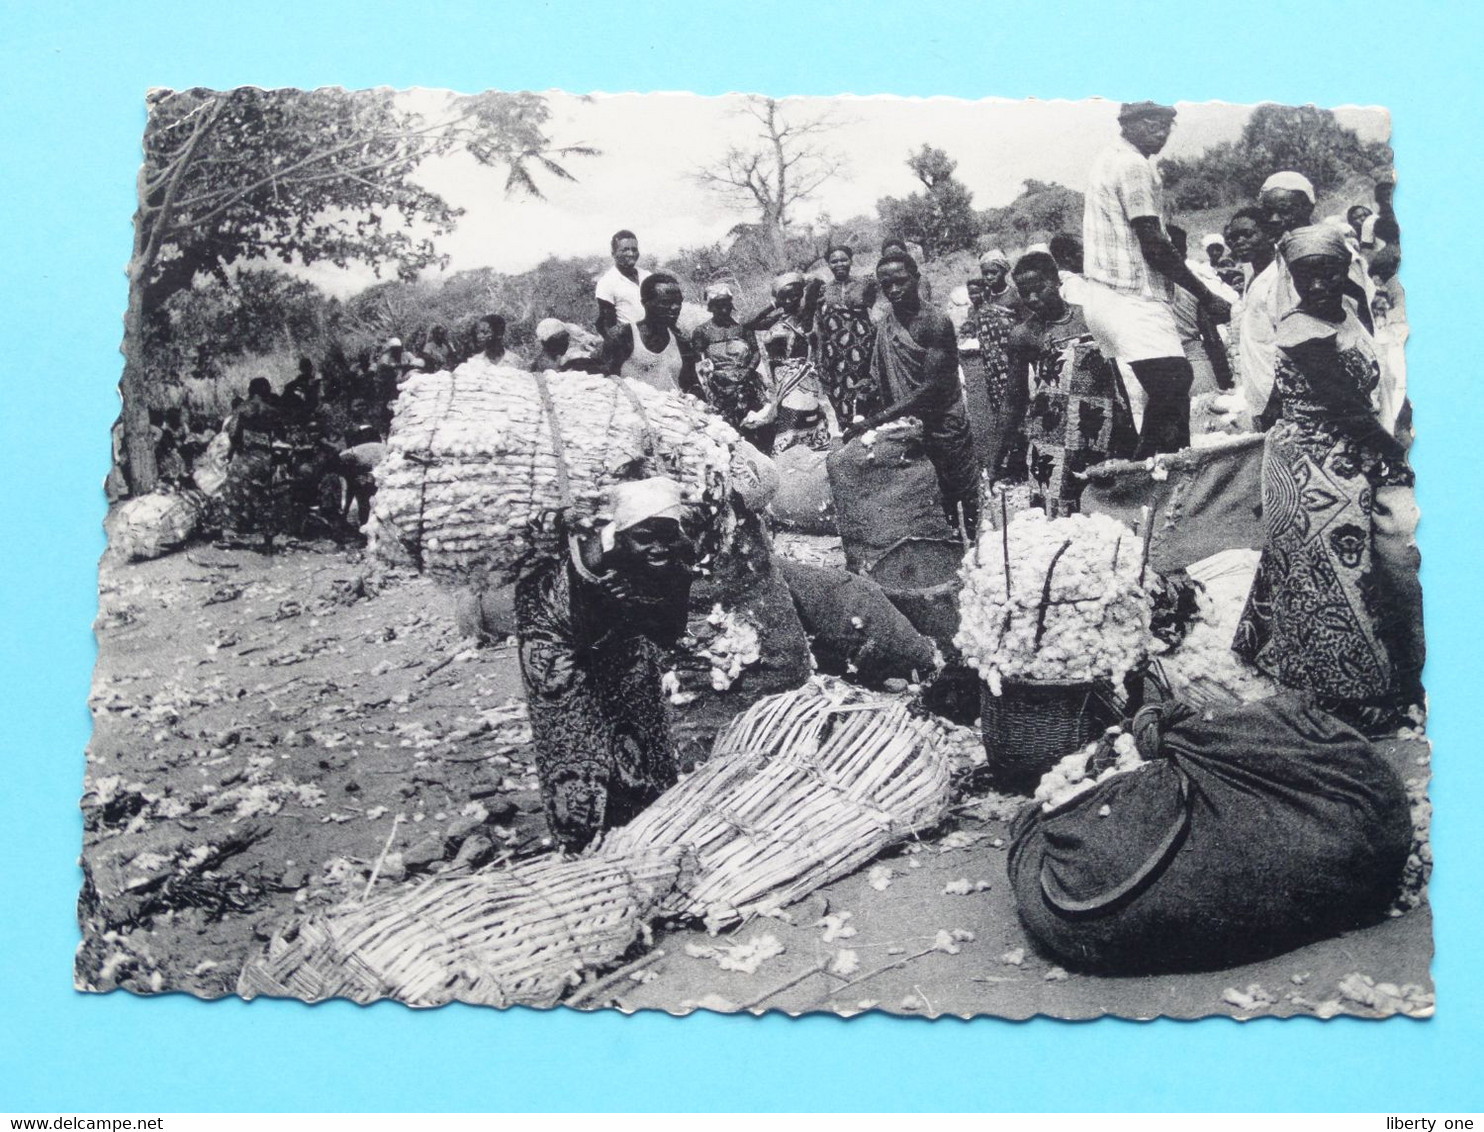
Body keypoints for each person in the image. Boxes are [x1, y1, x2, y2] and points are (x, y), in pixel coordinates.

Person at [1233, 225, 1421, 731]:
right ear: (1290, 275)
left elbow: (1372, 389)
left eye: (1328, 271)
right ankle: (1347, 689)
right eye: (1304, 274)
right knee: (1335, 578)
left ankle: (1374, 672)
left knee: (1352, 570)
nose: (1317, 284)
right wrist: (1395, 456)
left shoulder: (1350, 310)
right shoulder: (1298, 329)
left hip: (1346, 451)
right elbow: (1343, 407)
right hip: (1310, 461)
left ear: (1347, 268)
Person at [515, 477, 698, 852]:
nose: (659, 547)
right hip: (559, 638)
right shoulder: (591, 561)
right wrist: (610, 600)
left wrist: (636, 605)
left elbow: (669, 632)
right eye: (645, 537)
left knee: (640, 715)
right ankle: (582, 836)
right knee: (577, 733)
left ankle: (648, 818)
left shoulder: (678, 560)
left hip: (620, 632)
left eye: (667, 535)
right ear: (622, 531)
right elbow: (583, 637)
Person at [1080, 101, 1231, 457]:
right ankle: (1149, 478)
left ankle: (1163, 472)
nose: (1160, 132)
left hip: (1106, 295)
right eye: (1151, 123)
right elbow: (1154, 244)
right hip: (1131, 294)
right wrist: (1205, 295)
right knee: (1174, 382)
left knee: (1162, 392)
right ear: (1126, 124)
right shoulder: (1133, 164)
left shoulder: (1109, 159)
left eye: (1166, 125)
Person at [847, 251, 979, 538]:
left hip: (943, 420)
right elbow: (879, 370)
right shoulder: (886, 323)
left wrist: (875, 420)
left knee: (960, 491)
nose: (893, 290)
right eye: (886, 285)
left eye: (901, 281)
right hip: (908, 425)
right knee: (926, 494)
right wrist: (868, 385)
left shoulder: (935, 322)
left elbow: (930, 389)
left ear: (916, 279)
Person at [998, 253, 1138, 516]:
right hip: (1050, 438)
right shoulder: (1023, 335)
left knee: (1107, 506)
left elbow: (1115, 379)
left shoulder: (1090, 319)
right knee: (1057, 512)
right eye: (1024, 293)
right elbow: (1013, 398)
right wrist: (999, 457)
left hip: (1099, 430)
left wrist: (1129, 427)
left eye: (1039, 289)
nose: (1032, 300)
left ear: (1056, 281)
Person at [1260, 170, 1374, 333]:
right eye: (1268, 213)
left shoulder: (1332, 250)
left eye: (1284, 211)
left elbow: (1361, 303)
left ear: (1308, 208)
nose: (1274, 219)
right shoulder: (1280, 253)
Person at [690, 283, 771, 449]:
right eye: (719, 306)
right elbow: (698, 362)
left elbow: (756, 352)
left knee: (758, 423)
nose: (724, 310)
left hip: (747, 382)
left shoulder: (742, 328)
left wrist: (747, 372)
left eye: (727, 305)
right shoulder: (702, 331)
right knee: (727, 431)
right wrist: (715, 376)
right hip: (719, 387)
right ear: (710, 308)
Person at [1223, 205, 1282, 422]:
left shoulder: (1278, 277)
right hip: (1258, 390)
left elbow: (1288, 343)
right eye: (1233, 237)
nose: (1239, 242)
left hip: (1278, 393)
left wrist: (1277, 398)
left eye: (1247, 234)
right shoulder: (1251, 275)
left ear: (1269, 235)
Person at [958, 275, 1018, 474]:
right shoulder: (971, 311)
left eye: (977, 291)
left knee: (1002, 406)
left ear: (985, 291)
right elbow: (970, 331)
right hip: (979, 364)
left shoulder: (993, 310)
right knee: (986, 409)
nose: (974, 296)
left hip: (996, 363)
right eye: (970, 293)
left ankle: (1007, 456)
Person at [815, 245, 880, 428]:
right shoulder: (823, 290)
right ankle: (849, 441)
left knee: (867, 395)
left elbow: (877, 315)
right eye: (834, 261)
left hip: (864, 351)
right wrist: (819, 359)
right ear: (828, 264)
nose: (839, 264)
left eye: (843, 259)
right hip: (836, 357)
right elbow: (820, 326)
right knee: (841, 398)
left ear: (851, 260)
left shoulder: (865, 284)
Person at [221, 377, 289, 553]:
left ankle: (231, 534)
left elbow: (234, 434)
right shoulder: (272, 411)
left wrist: (236, 449)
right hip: (265, 458)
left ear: (251, 390)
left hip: (246, 457)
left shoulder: (243, 409)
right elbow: (281, 435)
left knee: (233, 491)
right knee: (262, 493)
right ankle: (267, 535)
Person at [604, 272, 699, 396]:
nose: (675, 308)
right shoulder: (624, 336)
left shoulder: (681, 341)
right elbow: (604, 382)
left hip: (672, 410)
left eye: (678, 302)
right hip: (632, 411)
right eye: (666, 302)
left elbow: (691, 383)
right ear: (645, 303)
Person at [595, 229, 651, 336]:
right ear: (614, 253)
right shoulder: (607, 282)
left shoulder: (647, 276)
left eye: (634, 249)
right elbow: (607, 324)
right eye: (624, 250)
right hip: (630, 342)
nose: (630, 253)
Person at [977, 249, 1025, 315]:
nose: (989, 277)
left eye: (994, 273)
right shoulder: (984, 295)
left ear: (1004, 271)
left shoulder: (1015, 294)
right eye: (985, 273)